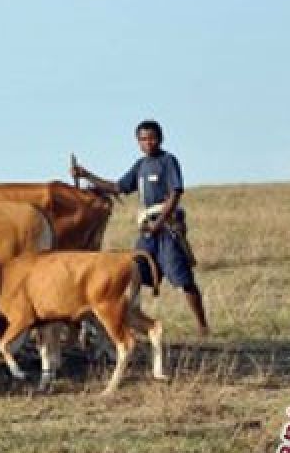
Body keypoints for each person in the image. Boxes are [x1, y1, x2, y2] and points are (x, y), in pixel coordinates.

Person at [71, 120, 210, 336]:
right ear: (138, 142)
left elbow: (175, 193)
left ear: (160, 139)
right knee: (132, 273)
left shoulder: (168, 161)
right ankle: (132, 323)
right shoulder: (141, 166)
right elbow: (118, 187)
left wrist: (160, 223)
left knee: (183, 278)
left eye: (152, 138)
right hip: (147, 230)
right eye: (143, 139)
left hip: (167, 227)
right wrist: (86, 175)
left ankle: (202, 325)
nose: (148, 143)